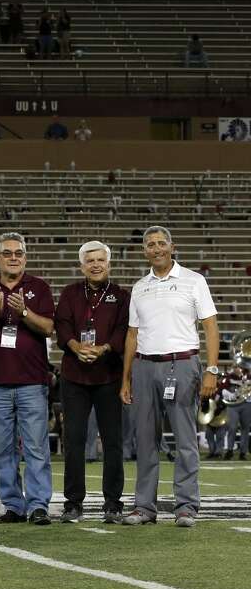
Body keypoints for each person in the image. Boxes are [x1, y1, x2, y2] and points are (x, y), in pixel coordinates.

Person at [120, 226, 219, 528]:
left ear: (172, 247)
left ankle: (186, 506)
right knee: (145, 440)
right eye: (151, 244)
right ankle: (144, 507)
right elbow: (132, 335)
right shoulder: (140, 286)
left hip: (183, 365)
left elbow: (211, 326)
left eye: (162, 243)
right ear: (144, 251)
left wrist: (212, 370)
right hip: (144, 366)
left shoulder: (193, 280)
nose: (157, 248)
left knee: (185, 440)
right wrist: (125, 378)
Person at [0, 232, 56, 525]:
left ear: (25, 258)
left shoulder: (38, 287)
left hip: (32, 380)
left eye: (19, 253)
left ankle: (39, 504)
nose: (14, 257)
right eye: (7, 253)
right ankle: (14, 506)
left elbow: (48, 328)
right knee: (2, 448)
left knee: (35, 447)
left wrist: (24, 311)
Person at [54, 240, 130, 523]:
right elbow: (61, 325)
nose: (96, 265)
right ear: (81, 265)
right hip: (75, 376)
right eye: (90, 261)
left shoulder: (121, 296)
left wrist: (104, 349)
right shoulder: (71, 293)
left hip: (109, 375)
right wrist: (76, 347)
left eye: (101, 260)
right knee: (73, 440)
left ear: (108, 264)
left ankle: (113, 503)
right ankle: (73, 503)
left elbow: (124, 330)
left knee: (112, 441)